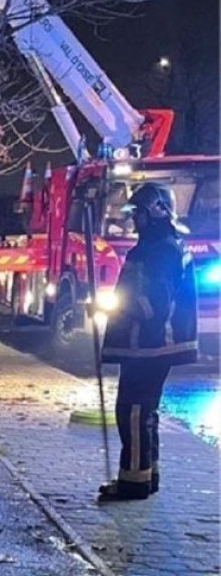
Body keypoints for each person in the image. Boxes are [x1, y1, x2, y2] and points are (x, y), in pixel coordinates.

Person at [98, 182, 198, 501]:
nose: (134, 219)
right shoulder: (159, 245)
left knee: (134, 410)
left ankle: (133, 483)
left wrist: (118, 305)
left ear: (156, 211)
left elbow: (153, 303)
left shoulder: (162, 249)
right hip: (149, 344)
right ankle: (146, 474)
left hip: (151, 343)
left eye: (138, 213)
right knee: (143, 410)